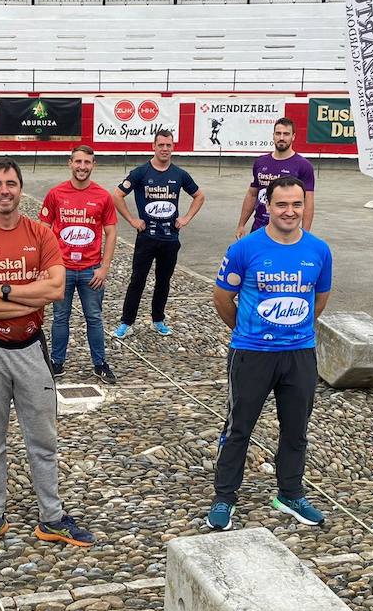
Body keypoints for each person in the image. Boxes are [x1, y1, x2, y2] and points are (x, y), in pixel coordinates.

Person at [0, 157, 95, 554]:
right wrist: (22, 293)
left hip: (32, 348)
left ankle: (51, 518)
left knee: (43, 439)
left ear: (20, 188)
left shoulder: (41, 233)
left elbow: (54, 290)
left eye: (11, 183)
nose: (4, 190)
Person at [208, 176, 332, 530]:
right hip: (251, 352)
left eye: (296, 204)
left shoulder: (319, 250)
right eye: (282, 204)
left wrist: (295, 328)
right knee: (238, 428)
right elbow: (221, 298)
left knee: (296, 429)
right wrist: (246, 331)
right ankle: (224, 497)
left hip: (299, 353)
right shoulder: (245, 249)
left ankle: (290, 493)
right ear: (267, 205)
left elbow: (318, 299)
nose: (290, 211)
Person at [111, 128, 205, 338]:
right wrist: (133, 220)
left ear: (173, 147)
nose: (164, 149)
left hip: (170, 238)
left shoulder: (179, 174)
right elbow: (117, 195)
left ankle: (158, 319)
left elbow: (199, 196)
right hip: (146, 238)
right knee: (138, 280)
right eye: (160, 145)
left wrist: (186, 218)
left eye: (168, 145)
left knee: (164, 281)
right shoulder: (140, 172)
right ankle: (127, 322)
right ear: (153, 146)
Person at [40, 144, 119, 384]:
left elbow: (111, 233)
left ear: (93, 165)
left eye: (87, 162)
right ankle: (56, 362)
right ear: (70, 163)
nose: (82, 167)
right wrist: (47, 265)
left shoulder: (103, 196)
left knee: (94, 318)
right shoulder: (55, 194)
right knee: (60, 317)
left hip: (90, 270)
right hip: (61, 270)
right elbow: (43, 229)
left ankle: (100, 364)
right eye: (78, 162)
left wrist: (104, 268)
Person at [234, 118, 316, 238]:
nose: (281, 137)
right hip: (259, 229)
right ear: (273, 136)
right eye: (278, 133)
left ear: (293, 137)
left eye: (286, 134)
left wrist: (305, 234)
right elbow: (252, 195)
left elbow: (308, 202)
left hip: (286, 232)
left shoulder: (303, 166)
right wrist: (241, 225)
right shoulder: (260, 162)